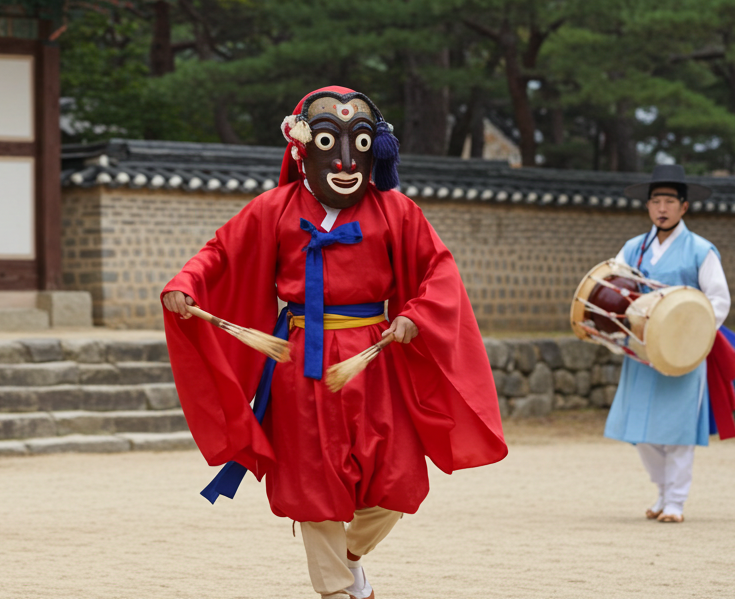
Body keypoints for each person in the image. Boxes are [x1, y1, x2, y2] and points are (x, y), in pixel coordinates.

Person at [162, 86, 507, 599]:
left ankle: (347, 558)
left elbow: (440, 271)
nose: (346, 163)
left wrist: (416, 314)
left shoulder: (397, 211)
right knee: (312, 482)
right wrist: (186, 283)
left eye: (359, 146)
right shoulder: (272, 208)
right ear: (304, 148)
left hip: (374, 358)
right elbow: (219, 254)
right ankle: (337, 590)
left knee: (396, 481)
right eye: (329, 142)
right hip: (300, 361)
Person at [607, 165, 735, 524]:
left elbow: (718, 300)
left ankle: (676, 502)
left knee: (679, 428)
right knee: (640, 428)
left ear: (684, 207)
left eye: (670, 200)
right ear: (648, 206)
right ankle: (661, 490)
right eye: (656, 201)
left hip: (683, 350)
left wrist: (693, 335)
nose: (662, 208)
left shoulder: (701, 250)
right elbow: (615, 290)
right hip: (641, 349)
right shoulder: (632, 249)